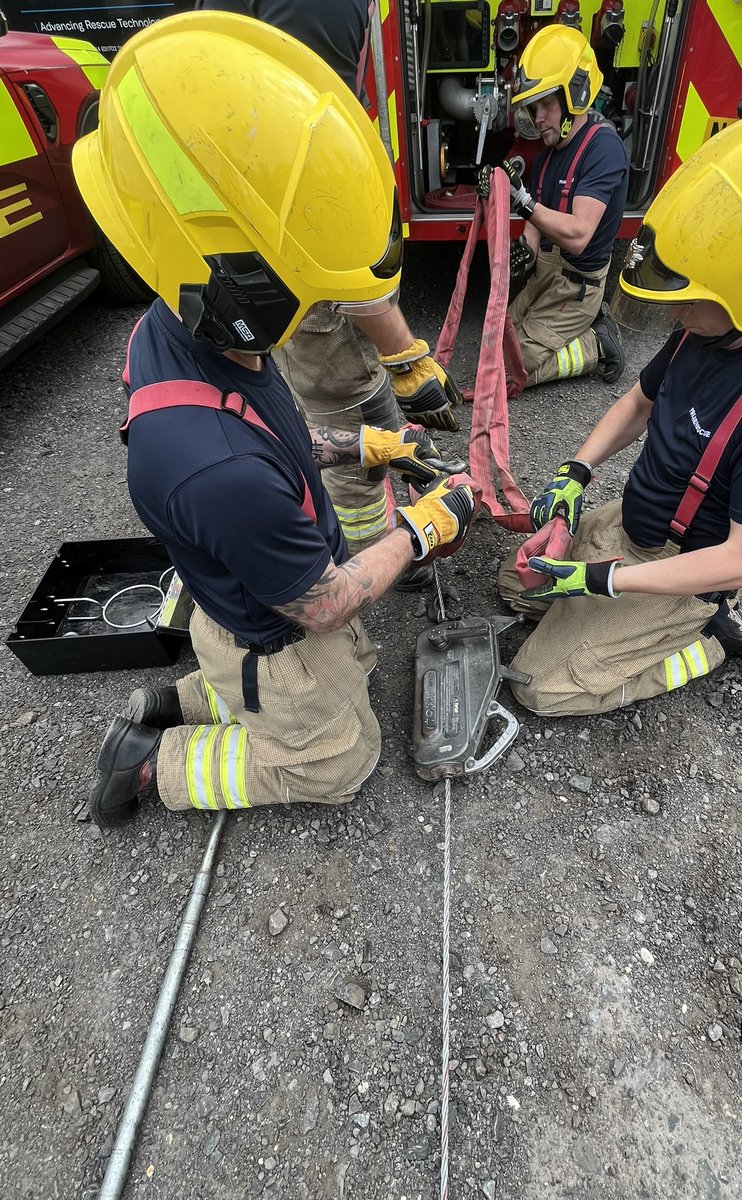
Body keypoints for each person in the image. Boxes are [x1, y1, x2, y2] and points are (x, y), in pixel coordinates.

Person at [74, 12, 475, 826]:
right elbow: (323, 605)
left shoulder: (182, 324)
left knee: (340, 668)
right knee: (343, 760)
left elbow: (274, 441)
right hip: (272, 628)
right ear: (246, 293)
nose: (332, 307)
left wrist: (374, 442)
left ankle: (185, 696)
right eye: (314, 290)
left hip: (244, 588)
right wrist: (429, 527)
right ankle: (154, 762)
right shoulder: (216, 471)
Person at [496, 110, 742, 716]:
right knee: (514, 586)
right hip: (637, 521)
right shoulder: (713, 323)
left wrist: (607, 580)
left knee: (541, 687)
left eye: (689, 303)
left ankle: (704, 639)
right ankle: (612, 607)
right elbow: (638, 401)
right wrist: (576, 472)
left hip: (682, 565)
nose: (676, 315)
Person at [197, 0, 463, 562]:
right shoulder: (288, 129)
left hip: (288, 271)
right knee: (343, 417)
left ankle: (414, 469)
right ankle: (377, 551)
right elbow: (333, 268)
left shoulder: (250, 87)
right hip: (306, 289)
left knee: (364, 397)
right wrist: (407, 356)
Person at [475, 24, 628, 389]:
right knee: (491, 346)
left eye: (546, 105)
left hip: (578, 288)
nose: (537, 117)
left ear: (574, 95)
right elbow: (534, 233)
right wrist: (520, 255)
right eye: (533, 107)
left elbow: (577, 235)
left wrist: (522, 201)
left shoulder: (602, 150)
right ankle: (576, 335)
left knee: (508, 372)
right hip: (548, 274)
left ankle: (597, 344)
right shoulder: (546, 160)